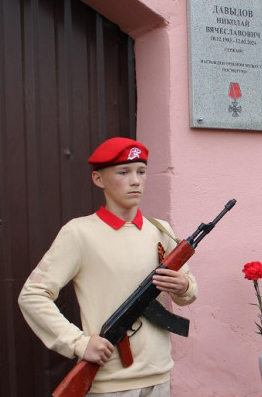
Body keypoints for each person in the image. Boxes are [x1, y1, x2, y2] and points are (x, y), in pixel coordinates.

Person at [18, 137, 198, 396]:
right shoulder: (79, 233)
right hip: (111, 384)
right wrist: (78, 343)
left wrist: (183, 286)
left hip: (160, 376)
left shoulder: (160, 230)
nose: (135, 180)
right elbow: (33, 295)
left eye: (142, 172)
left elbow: (188, 293)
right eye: (123, 172)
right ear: (98, 179)